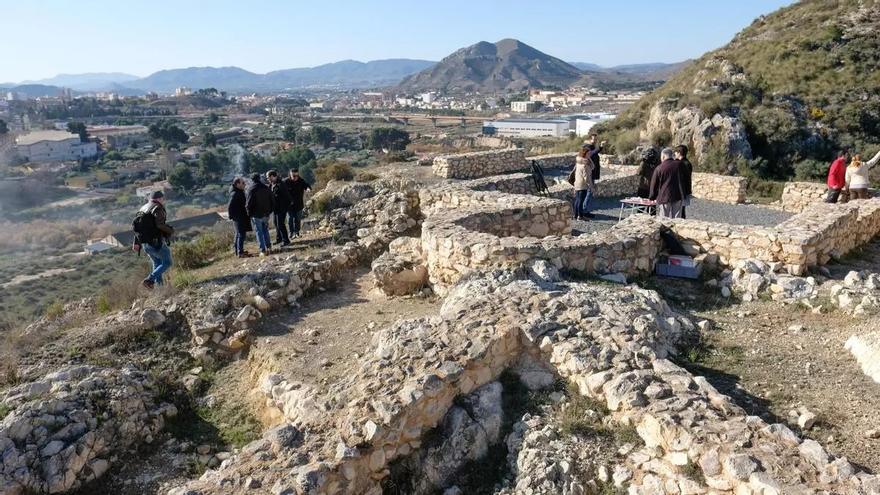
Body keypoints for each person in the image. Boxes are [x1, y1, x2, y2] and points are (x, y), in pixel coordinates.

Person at [133, 191, 174, 289]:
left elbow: (138, 228)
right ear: (159, 199)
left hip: (145, 244)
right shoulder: (157, 208)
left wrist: (136, 242)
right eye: (163, 198)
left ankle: (160, 288)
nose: (164, 201)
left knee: (157, 263)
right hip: (156, 242)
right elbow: (160, 224)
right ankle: (149, 279)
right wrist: (170, 230)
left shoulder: (143, 208)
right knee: (168, 262)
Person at [649, 148, 687, 218]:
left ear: (663, 156)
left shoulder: (659, 168)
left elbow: (654, 184)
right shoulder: (680, 165)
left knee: (664, 218)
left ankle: (664, 229)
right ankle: (676, 229)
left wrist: (652, 197)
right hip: (678, 195)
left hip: (664, 196)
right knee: (677, 218)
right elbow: (686, 179)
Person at [246, 173, 274, 256]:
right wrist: (270, 211)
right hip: (266, 213)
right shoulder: (266, 187)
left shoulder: (251, 189)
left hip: (256, 214)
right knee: (265, 230)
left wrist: (249, 214)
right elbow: (272, 200)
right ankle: (269, 247)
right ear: (259, 178)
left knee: (259, 232)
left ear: (252, 180)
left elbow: (248, 204)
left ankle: (263, 250)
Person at [283, 168, 311, 238]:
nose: (295, 177)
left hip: (299, 205)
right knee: (290, 220)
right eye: (293, 176)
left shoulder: (301, 181)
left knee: (297, 220)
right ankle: (291, 232)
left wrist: (308, 189)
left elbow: (307, 185)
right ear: (290, 174)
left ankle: (297, 232)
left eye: (296, 176)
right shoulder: (286, 182)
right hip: (289, 205)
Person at [227, 177, 251, 258]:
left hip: (239, 216)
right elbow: (230, 206)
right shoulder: (235, 193)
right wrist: (231, 216)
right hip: (238, 217)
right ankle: (240, 252)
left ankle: (238, 251)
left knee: (238, 234)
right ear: (237, 184)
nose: (244, 184)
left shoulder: (238, 192)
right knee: (241, 234)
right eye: (242, 183)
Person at [267, 170, 292, 247]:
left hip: (281, 208)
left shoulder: (280, 184)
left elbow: (286, 196)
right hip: (276, 208)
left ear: (272, 176)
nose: (268, 179)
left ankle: (286, 240)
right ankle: (279, 239)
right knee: (276, 223)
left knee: (280, 224)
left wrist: (285, 207)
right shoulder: (272, 185)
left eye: (268, 177)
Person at [572, 146, 594, 220]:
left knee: (577, 200)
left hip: (577, 183)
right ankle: (580, 216)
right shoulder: (585, 165)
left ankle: (575, 215)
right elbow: (587, 177)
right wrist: (591, 186)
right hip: (582, 185)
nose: (590, 155)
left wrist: (588, 158)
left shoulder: (578, 162)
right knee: (581, 201)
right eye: (588, 154)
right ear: (585, 154)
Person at [673, 145, 693, 218]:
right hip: (686, 190)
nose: (674, 154)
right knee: (682, 210)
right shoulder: (688, 163)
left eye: (675, 152)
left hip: (680, 190)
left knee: (679, 211)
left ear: (679, 153)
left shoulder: (680, 164)